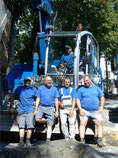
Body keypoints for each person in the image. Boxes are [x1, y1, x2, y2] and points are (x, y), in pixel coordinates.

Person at [76, 75, 105, 147]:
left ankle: (100, 140)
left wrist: (101, 108)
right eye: (84, 81)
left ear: (90, 80)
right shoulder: (81, 89)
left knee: (99, 123)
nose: (86, 82)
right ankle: (82, 140)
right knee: (82, 123)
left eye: (87, 80)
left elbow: (102, 98)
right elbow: (77, 100)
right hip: (84, 110)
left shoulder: (96, 88)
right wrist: (80, 109)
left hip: (95, 110)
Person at [9, 76, 37, 147]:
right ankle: (21, 141)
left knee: (30, 126)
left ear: (30, 82)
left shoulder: (33, 90)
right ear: (24, 82)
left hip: (30, 110)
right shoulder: (19, 89)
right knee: (21, 126)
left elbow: (38, 98)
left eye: (28, 81)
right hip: (21, 110)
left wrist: (36, 109)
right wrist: (11, 107)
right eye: (26, 81)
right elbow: (12, 96)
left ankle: (28, 141)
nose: (27, 82)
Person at [34, 76, 59, 141]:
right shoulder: (40, 88)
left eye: (50, 80)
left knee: (49, 125)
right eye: (48, 80)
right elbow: (38, 99)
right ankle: (47, 121)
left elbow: (56, 100)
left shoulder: (54, 89)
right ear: (45, 81)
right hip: (41, 107)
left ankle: (48, 140)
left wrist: (57, 111)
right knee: (37, 119)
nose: (49, 81)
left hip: (51, 108)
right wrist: (36, 110)